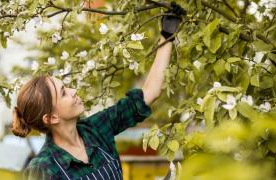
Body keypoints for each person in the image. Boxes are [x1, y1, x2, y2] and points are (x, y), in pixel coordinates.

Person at [12, 2, 185, 180]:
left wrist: (167, 36)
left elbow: (149, 94)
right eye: (63, 93)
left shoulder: (95, 130)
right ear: (51, 118)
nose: (73, 91)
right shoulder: (42, 170)